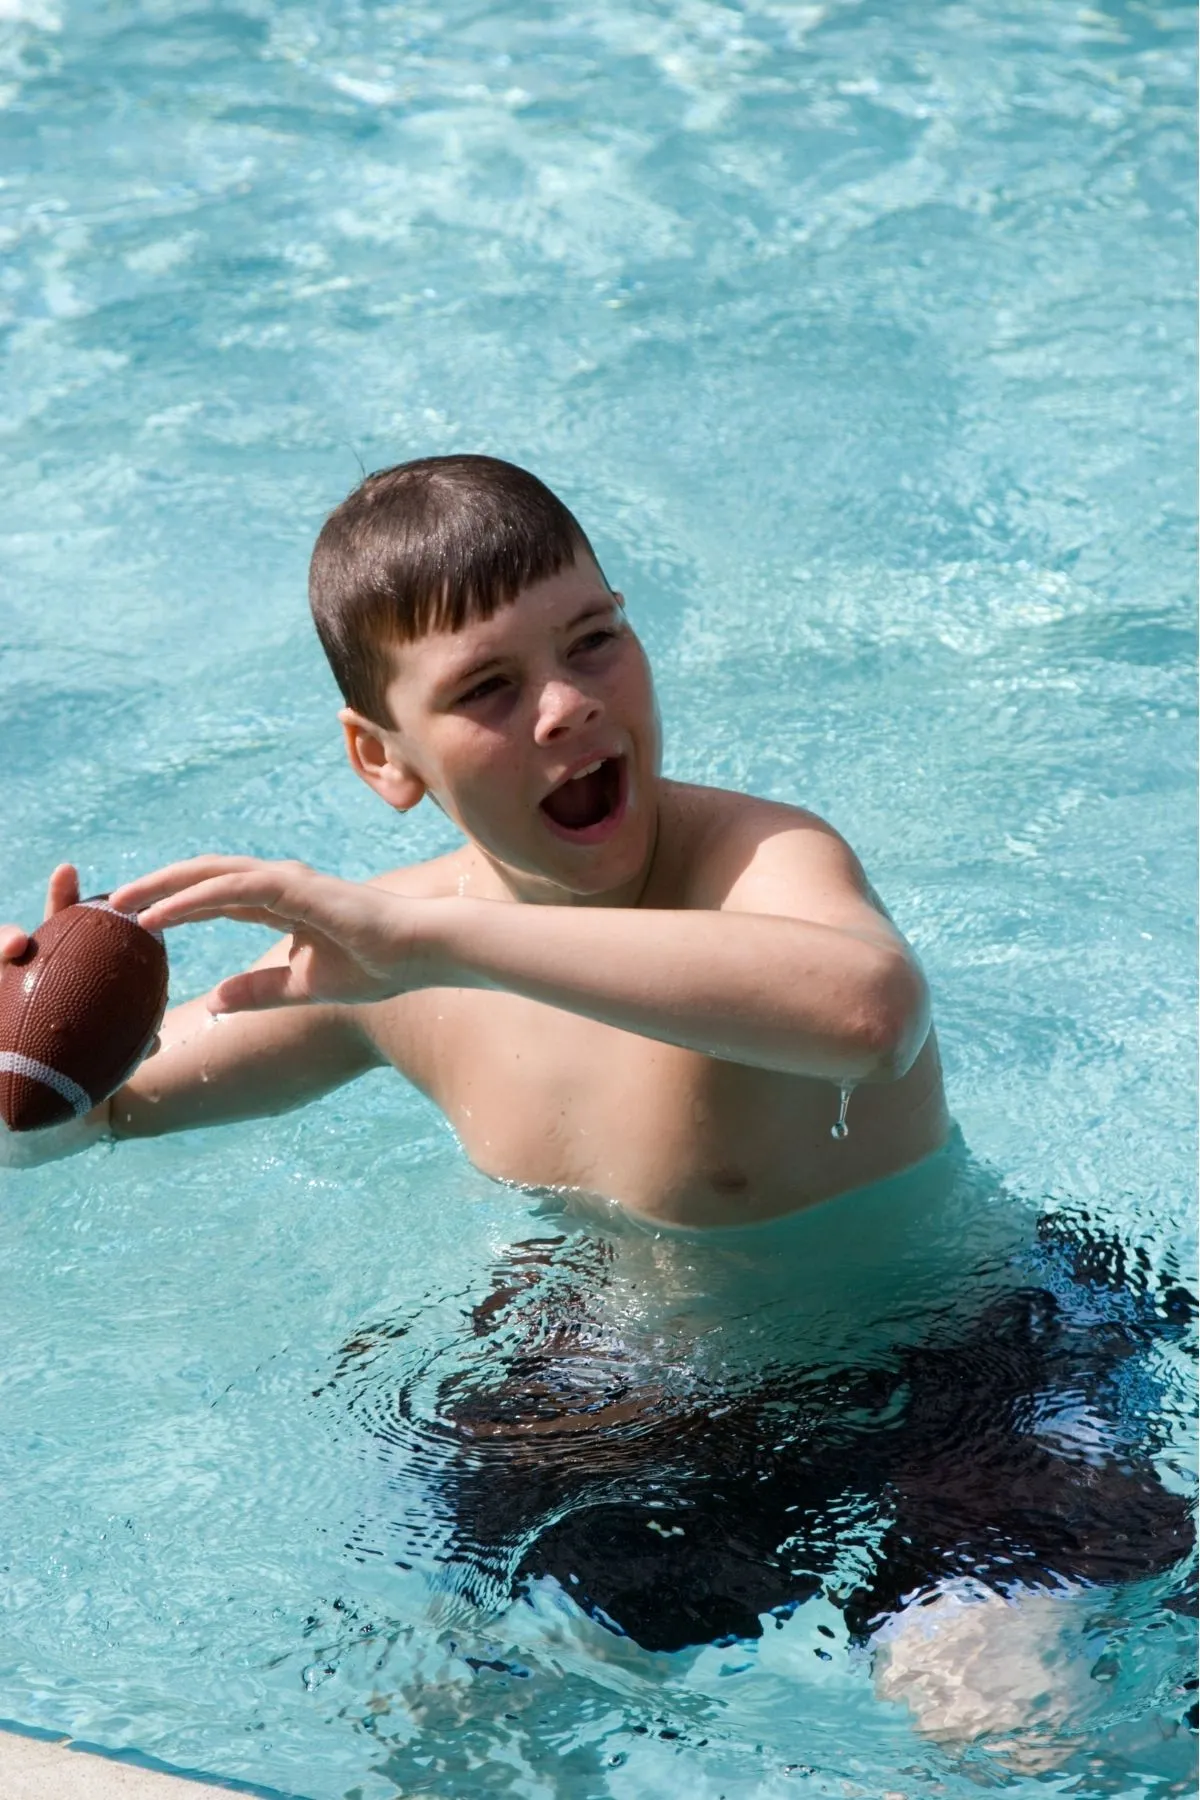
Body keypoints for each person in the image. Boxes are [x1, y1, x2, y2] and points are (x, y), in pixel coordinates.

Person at [1, 454, 949, 1223]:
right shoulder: (381, 961)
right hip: (624, 1382)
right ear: (382, 759)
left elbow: (872, 1018)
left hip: (946, 1362)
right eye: (487, 686)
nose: (570, 705)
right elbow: (86, 1115)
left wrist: (429, 946)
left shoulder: (754, 858)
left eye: (593, 639)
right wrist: (30, 1048)